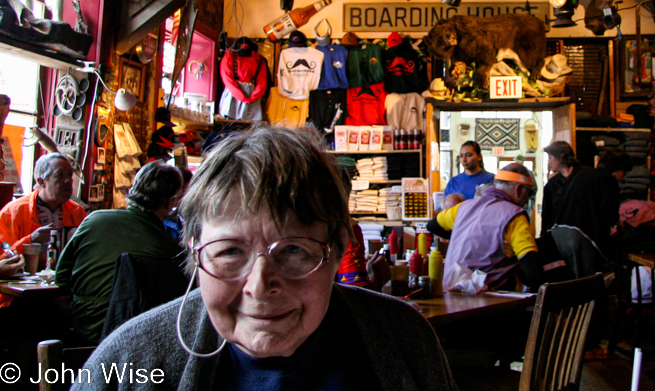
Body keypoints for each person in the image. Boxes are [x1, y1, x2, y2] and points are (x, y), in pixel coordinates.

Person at [81, 126, 455, 390]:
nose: (260, 287)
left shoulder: (403, 339)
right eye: (229, 251)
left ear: (339, 246)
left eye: (294, 250)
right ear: (193, 250)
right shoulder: (129, 361)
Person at [55, 161, 185, 344]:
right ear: (170, 201)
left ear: (134, 187)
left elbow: (61, 278)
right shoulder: (170, 249)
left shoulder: (93, 219)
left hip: (81, 330)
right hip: (130, 339)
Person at [427, 163, 546, 291]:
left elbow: (433, 225)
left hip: (449, 297)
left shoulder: (464, 207)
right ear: (518, 189)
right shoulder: (514, 216)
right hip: (488, 302)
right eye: (527, 194)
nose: (526, 200)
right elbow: (533, 274)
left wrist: (460, 235)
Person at [0, 153, 85, 309]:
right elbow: (3, 260)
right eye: (59, 175)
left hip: (64, 293)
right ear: (41, 181)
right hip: (20, 298)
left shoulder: (77, 212)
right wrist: (30, 240)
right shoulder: (13, 212)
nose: (68, 181)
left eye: (70, 175)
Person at [542, 141, 619, 255]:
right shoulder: (552, 185)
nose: (549, 162)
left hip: (587, 238)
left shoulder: (587, 178)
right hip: (561, 242)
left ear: (561, 157)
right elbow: (547, 215)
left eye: (550, 157)